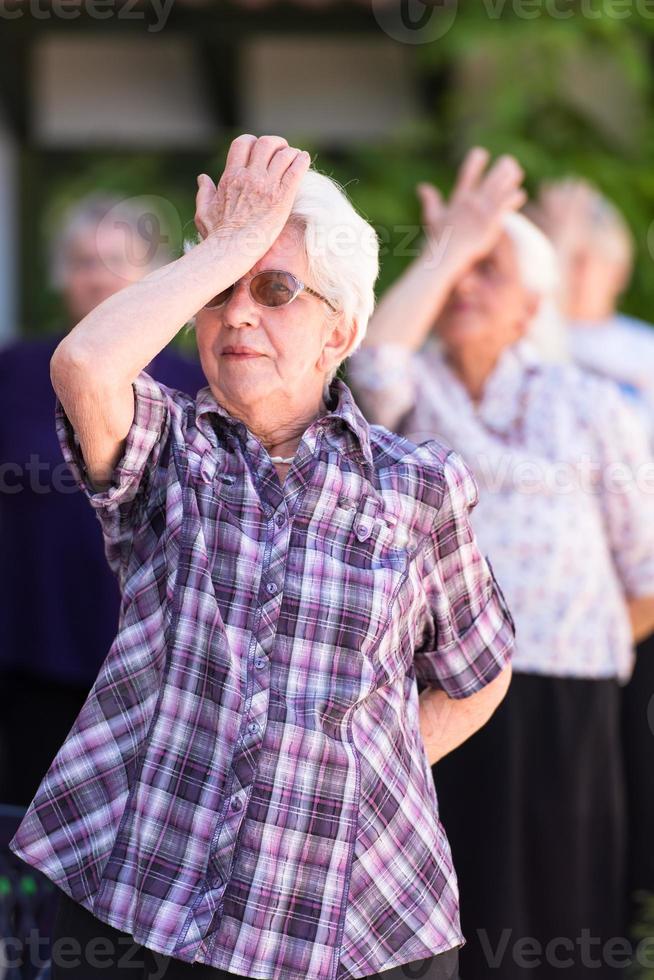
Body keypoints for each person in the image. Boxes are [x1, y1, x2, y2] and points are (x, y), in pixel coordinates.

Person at [9, 135, 516, 980]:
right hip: (146, 898)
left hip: (360, 919)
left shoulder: (418, 486)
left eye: (274, 289)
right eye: (218, 295)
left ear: (340, 330)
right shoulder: (170, 449)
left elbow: (480, 672)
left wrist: (351, 774)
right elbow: (87, 364)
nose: (236, 312)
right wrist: (228, 249)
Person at [348, 147, 654, 979]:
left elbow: (646, 574)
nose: (467, 287)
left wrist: (567, 658)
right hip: (440, 695)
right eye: (459, 271)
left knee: (564, 919)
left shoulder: (593, 406)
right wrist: (448, 250)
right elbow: (369, 363)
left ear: (533, 305)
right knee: (457, 915)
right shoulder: (409, 398)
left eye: (491, 270)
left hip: (569, 698)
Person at [0, 194, 206, 807]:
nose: (97, 277)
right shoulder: (15, 370)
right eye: (83, 261)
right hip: (28, 650)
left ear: (156, 275)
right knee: (23, 831)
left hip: (154, 662)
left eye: (117, 260)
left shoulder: (197, 383)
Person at [532, 177, 654, 942]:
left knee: (628, 772)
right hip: (558, 611)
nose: (574, 271)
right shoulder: (537, 346)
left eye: (587, 259)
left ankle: (620, 917)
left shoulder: (639, 350)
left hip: (637, 591)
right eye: (561, 258)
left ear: (617, 266)